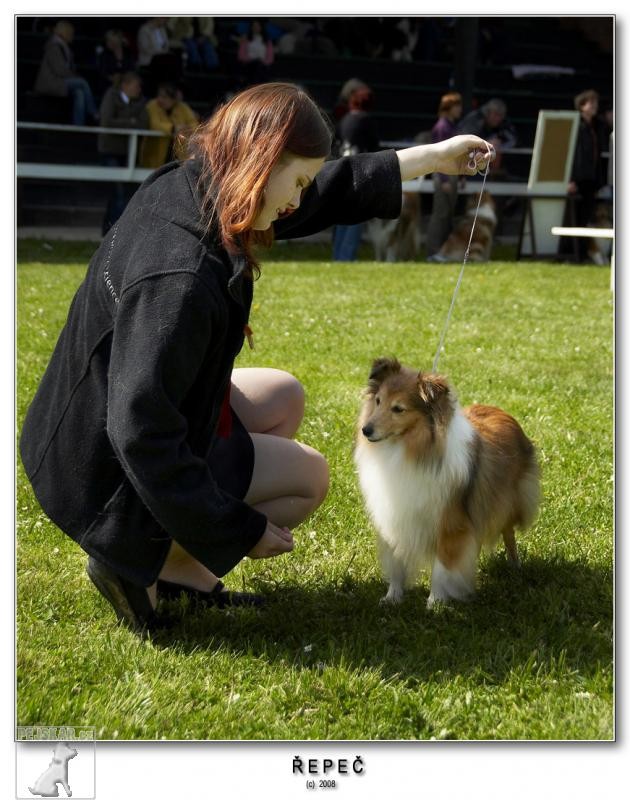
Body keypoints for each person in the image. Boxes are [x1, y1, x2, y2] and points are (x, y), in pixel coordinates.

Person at [19, 82, 493, 635]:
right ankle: (136, 561)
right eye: (295, 182)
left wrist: (436, 157)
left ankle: (180, 570)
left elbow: (330, 191)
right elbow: (139, 431)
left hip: (80, 419)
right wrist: (231, 529)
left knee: (284, 394)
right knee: (310, 477)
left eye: (304, 183)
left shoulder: (198, 185)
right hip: (100, 471)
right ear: (260, 162)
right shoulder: (180, 275)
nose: (298, 198)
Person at [332, 86, 381, 262]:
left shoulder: (343, 120)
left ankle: (337, 255)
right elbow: (375, 149)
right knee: (356, 218)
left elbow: (335, 145)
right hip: (360, 173)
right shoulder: (367, 121)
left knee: (341, 218)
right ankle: (346, 257)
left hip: (340, 172)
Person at [97, 72, 149, 235]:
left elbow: (143, 124)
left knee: (123, 194)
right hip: (110, 150)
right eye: (135, 85)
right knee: (116, 193)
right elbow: (107, 121)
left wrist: (125, 123)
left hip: (128, 153)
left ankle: (111, 232)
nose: (138, 89)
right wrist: (131, 122)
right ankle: (112, 233)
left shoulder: (140, 102)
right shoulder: (111, 97)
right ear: (125, 85)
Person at [566, 89, 608, 262]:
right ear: (582, 105)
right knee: (574, 218)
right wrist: (570, 179)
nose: (595, 107)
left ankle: (584, 254)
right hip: (578, 179)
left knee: (586, 218)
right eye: (591, 103)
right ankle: (572, 254)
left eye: (596, 103)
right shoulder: (576, 125)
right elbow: (573, 154)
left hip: (591, 180)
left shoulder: (596, 126)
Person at [34, 20, 99, 126]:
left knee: (80, 92)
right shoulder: (54, 47)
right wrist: (75, 77)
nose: (72, 36)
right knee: (82, 82)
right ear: (64, 33)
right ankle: (93, 112)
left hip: (61, 81)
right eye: (71, 33)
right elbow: (60, 70)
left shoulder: (65, 47)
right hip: (52, 83)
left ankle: (78, 126)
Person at [426, 92, 463, 260]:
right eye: (457, 106)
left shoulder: (451, 126)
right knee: (440, 214)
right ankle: (433, 252)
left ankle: (443, 251)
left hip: (451, 174)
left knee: (448, 215)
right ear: (449, 108)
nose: (460, 109)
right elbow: (440, 155)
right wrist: (445, 180)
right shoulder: (442, 127)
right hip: (444, 176)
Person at [139, 83, 199, 170]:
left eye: (165, 97)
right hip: (156, 153)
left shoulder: (182, 107)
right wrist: (173, 128)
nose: (161, 100)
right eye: (159, 96)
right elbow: (154, 124)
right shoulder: (152, 105)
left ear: (173, 99)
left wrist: (185, 128)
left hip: (177, 154)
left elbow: (194, 124)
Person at [458, 97, 516, 174]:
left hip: (488, 163)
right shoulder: (475, 120)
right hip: (466, 162)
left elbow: (513, 140)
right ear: (488, 112)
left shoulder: (504, 123)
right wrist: (486, 143)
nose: (498, 118)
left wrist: (500, 145)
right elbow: (464, 141)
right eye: (495, 114)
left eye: (501, 115)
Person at [95, 29, 135, 95]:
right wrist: (112, 78)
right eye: (107, 40)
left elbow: (131, 69)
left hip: (126, 81)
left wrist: (122, 78)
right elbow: (103, 72)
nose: (108, 43)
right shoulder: (104, 55)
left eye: (111, 41)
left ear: (118, 41)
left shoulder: (128, 53)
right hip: (108, 83)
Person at [237, 20, 274, 85]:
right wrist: (251, 59)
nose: (255, 28)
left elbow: (270, 58)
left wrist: (263, 62)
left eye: (257, 26)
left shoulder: (267, 40)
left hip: (263, 65)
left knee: (259, 66)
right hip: (249, 64)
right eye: (254, 26)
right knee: (255, 66)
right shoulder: (246, 38)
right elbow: (241, 55)